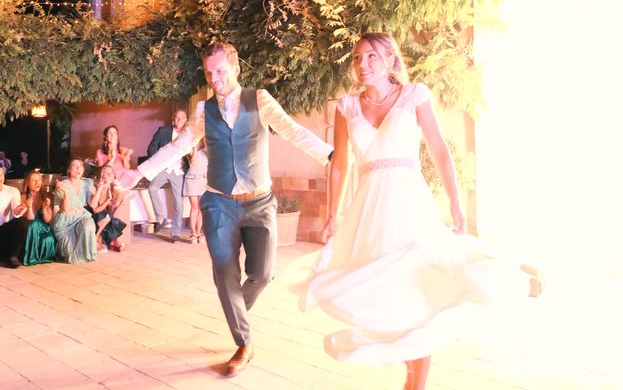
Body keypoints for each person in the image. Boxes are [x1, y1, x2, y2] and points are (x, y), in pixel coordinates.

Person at [302, 32, 524, 390]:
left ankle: (415, 384)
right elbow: (340, 165)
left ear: (391, 60)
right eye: (358, 58)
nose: (363, 65)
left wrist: (455, 200)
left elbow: (438, 149)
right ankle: (405, 358)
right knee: (384, 290)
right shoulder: (346, 107)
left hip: (408, 202)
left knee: (419, 287)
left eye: (372, 56)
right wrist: (333, 214)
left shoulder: (413, 96)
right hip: (368, 210)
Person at [117, 41, 333, 377]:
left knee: (262, 275)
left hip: (259, 202)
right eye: (209, 72)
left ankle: (235, 311)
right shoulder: (204, 111)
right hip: (219, 203)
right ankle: (244, 342)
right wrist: (138, 172)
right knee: (224, 273)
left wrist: (331, 156)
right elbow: (178, 147)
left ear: (235, 68)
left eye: (220, 70)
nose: (214, 77)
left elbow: (293, 131)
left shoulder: (259, 99)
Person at [146, 109, 189, 241]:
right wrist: (158, 157)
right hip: (164, 168)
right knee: (152, 188)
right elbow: (150, 149)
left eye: (182, 118)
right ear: (173, 118)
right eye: (177, 117)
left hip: (179, 171)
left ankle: (175, 233)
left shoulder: (189, 135)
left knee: (179, 203)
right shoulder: (163, 131)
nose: (179, 120)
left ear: (186, 120)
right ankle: (161, 217)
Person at [53, 158, 98, 264]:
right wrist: (66, 193)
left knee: (89, 225)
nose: (78, 168)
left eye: (81, 166)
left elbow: (92, 205)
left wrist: (99, 190)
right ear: (69, 170)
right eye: (74, 165)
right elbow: (65, 209)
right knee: (69, 254)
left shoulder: (87, 183)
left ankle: (87, 253)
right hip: (65, 222)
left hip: (81, 216)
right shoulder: (62, 184)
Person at [21, 169, 56, 266]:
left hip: (44, 227)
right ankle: (31, 257)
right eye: (33, 180)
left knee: (48, 239)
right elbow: (30, 219)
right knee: (34, 224)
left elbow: (47, 220)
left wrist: (45, 208)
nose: (37, 183)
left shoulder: (48, 196)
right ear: (27, 183)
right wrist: (29, 207)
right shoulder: (23, 197)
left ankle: (42, 257)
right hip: (30, 228)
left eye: (39, 180)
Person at [91, 164, 126, 253]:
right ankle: (96, 240)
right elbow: (95, 210)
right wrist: (107, 199)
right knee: (107, 216)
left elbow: (113, 210)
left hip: (106, 217)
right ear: (101, 175)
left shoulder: (114, 189)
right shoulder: (96, 188)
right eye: (106, 172)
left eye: (111, 173)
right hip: (94, 216)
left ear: (114, 176)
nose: (109, 175)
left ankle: (112, 242)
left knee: (113, 219)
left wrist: (119, 200)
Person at [0, 166, 28, 268]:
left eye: (2, 174)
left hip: (4, 230)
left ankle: (13, 257)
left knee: (22, 222)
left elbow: (16, 209)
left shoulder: (12, 190)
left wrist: (20, 209)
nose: (0, 178)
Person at [183, 138, 207, 244]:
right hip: (192, 180)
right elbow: (193, 162)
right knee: (194, 207)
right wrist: (195, 148)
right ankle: (193, 232)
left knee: (202, 208)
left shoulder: (208, 151)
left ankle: (199, 231)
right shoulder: (191, 151)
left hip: (204, 180)